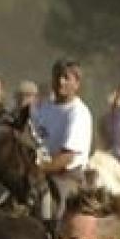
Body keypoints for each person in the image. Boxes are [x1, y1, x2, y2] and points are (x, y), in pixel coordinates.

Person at [32, 60, 93, 207]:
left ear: (77, 83)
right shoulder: (45, 108)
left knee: (47, 203)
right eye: (57, 76)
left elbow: (66, 157)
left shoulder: (78, 113)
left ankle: (52, 229)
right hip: (43, 170)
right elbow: (37, 141)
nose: (60, 81)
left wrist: (38, 168)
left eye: (66, 77)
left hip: (67, 176)